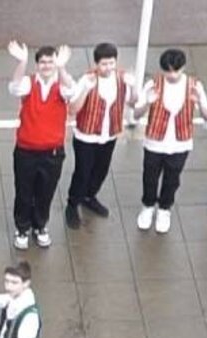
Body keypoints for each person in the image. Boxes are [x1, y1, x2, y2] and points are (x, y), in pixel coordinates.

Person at [134, 48, 207, 234]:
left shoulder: (194, 86)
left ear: (183, 68)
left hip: (180, 143)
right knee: (150, 177)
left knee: (172, 179)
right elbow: (136, 115)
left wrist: (200, 103)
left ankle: (164, 209)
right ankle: (147, 206)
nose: (171, 75)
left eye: (175, 71)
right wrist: (147, 102)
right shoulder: (153, 84)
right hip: (154, 142)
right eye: (167, 71)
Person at [7, 40, 76, 249]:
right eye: (43, 62)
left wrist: (62, 67)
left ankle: (40, 225)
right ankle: (22, 228)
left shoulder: (61, 84)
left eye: (51, 62)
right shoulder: (29, 83)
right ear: (37, 65)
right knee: (24, 191)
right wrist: (22, 62)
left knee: (46, 191)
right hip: (26, 150)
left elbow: (70, 91)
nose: (47, 66)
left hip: (52, 152)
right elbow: (15, 87)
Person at [65, 42, 134, 227]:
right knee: (82, 172)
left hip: (109, 135)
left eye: (111, 63)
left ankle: (89, 197)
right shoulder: (87, 80)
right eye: (104, 64)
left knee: (101, 170)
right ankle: (72, 205)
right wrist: (86, 90)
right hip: (86, 136)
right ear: (96, 64)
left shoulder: (121, 79)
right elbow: (73, 109)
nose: (108, 68)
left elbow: (133, 103)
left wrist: (133, 86)